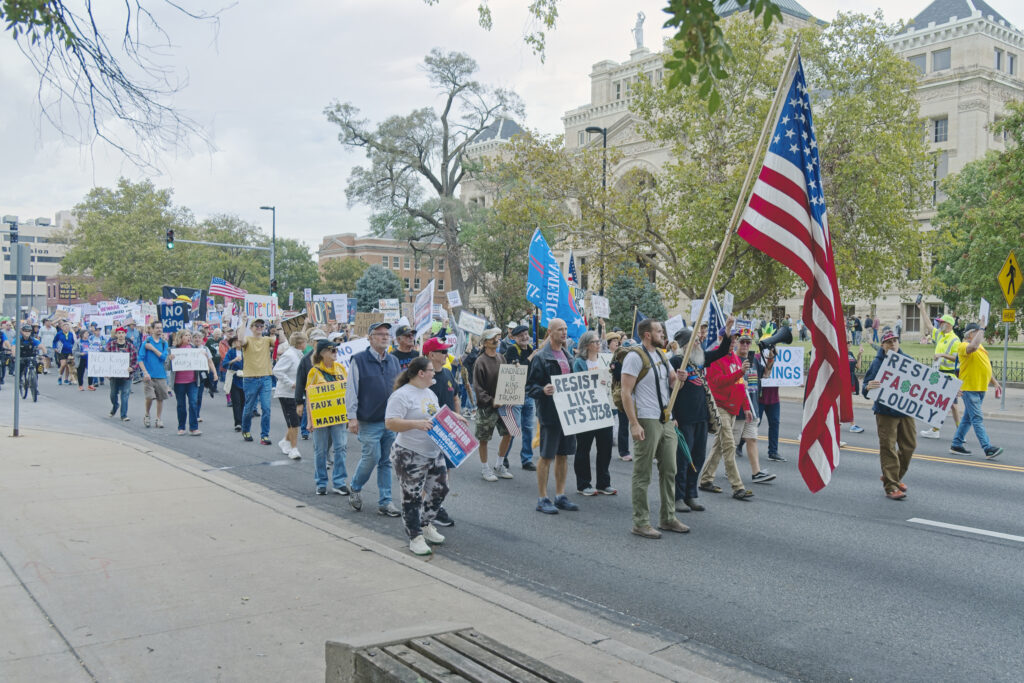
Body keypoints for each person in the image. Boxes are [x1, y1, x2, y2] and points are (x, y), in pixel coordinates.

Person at [619, 318, 689, 538]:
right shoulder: (634, 357)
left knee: (670, 470)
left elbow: (670, 383)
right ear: (647, 334)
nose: (663, 334)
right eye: (659, 331)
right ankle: (641, 522)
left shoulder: (661, 355)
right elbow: (626, 392)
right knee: (643, 473)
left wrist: (680, 379)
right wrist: (634, 423)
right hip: (646, 420)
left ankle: (668, 517)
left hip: (665, 419)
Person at [385, 356, 454, 556]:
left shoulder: (430, 393)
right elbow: (390, 423)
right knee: (412, 497)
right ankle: (414, 536)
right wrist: (416, 424)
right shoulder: (402, 395)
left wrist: (453, 416)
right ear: (421, 373)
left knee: (441, 489)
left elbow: (435, 415)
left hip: (433, 452)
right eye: (431, 370)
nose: (435, 373)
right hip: (409, 454)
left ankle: (425, 524)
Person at [670, 323, 732, 512]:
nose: (699, 343)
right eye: (695, 341)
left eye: (698, 340)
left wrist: (727, 330)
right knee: (683, 459)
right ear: (686, 345)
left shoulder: (700, 360)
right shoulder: (675, 363)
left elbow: (721, 351)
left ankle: (691, 495)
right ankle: (678, 497)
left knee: (697, 458)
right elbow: (666, 391)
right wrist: (671, 415)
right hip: (683, 418)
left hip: (701, 418)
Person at [525, 318, 581, 514]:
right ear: (550, 331)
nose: (564, 332)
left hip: (568, 414)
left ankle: (560, 495)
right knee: (546, 456)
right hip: (550, 414)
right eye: (560, 329)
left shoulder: (569, 356)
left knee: (563, 455)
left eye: (565, 329)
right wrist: (543, 389)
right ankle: (542, 498)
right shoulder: (541, 357)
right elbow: (530, 387)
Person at [346, 321, 401, 517]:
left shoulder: (393, 361)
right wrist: (351, 417)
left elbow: (399, 390)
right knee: (372, 456)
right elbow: (351, 389)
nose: (385, 337)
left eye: (387, 334)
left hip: (390, 421)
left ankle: (385, 501)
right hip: (368, 420)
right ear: (370, 337)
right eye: (380, 334)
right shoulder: (359, 360)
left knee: (386, 461)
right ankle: (355, 486)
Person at [701, 331, 755, 501]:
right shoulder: (715, 358)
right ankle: (737, 487)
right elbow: (717, 382)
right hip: (719, 407)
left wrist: (746, 407)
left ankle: (706, 479)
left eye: (735, 339)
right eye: (731, 339)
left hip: (733, 408)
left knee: (719, 445)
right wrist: (740, 372)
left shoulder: (736, 358)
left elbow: (740, 386)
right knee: (729, 445)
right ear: (721, 339)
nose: (734, 342)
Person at [862, 330, 916, 500]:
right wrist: (867, 387)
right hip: (885, 412)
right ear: (883, 345)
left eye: (895, 341)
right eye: (888, 342)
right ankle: (891, 486)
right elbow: (865, 386)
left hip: (905, 410)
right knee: (889, 448)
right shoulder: (878, 363)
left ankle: (893, 476)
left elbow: (924, 384)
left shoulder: (908, 360)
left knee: (909, 446)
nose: (892, 344)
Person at [571, 330, 616, 496]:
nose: (599, 344)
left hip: (604, 409)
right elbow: (577, 383)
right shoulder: (579, 363)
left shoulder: (605, 360)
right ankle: (583, 484)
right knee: (584, 448)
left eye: (599, 342)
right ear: (587, 345)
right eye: (595, 342)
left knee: (605, 448)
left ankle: (604, 483)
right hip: (587, 411)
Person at [949, 323, 1004, 458]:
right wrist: (982, 328)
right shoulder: (963, 346)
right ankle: (987, 448)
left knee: (968, 419)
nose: (982, 335)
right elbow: (972, 347)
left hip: (980, 388)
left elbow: (983, 366)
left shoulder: (980, 347)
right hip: (970, 389)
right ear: (971, 334)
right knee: (977, 418)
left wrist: (995, 382)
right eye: (979, 333)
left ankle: (956, 444)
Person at [305, 338, 350, 495]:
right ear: (323, 353)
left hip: (338, 417)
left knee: (341, 448)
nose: (335, 353)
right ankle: (321, 482)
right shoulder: (314, 372)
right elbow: (310, 397)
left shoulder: (341, 369)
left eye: (336, 350)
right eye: (332, 350)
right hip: (321, 418)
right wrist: (310, 420)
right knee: (320, 450)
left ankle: (339, 481)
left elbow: (347, 392)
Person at [424, 335, 458, 527]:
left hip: (448, 431)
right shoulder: (424, 378)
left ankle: (438, 506)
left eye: (447, 351)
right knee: (428, 473)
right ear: (431, 355)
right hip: (430, 433)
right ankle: (425, 507)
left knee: (446, 471)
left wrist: (458, 419)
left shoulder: (447, 373)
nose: (446, 354)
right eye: (442, 351)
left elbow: (456, 398)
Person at [734, 334, 777, 484]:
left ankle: (756, 472)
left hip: (752, 408)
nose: (745, 345)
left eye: (748, 342)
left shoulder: (754, 361)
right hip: (737, 410)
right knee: (729, 445)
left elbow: (765, 374)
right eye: (742, 342)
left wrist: (771, 359)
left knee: (752, 439)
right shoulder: (733, 360)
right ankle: (726, 470)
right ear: (737, 344)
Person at [472, 327, 513, 482]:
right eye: (492, 338)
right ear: (485, 343)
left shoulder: (502, 358)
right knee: (484, 438)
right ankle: (485, 468)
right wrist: (490, 401)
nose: (496, 340)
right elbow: (478, 387)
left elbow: (508, 379)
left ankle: (499, 465)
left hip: (503, 404)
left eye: (497, 337)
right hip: (487, 407)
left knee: (508, 433)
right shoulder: (480, 361)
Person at [918, 307, 962, 439]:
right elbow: (929, 325)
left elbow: (957, 358)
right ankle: (935, 429)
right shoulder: (940, 335)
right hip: (938, 375)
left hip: (949, 376)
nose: (939, 324)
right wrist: (922, 309)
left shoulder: (955, 340)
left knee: (953, 406)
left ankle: (960, 432)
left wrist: (942, 355)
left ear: (948, 325)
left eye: (941, 322)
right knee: (937, 403)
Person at [503, 324, 537, 471]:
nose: (525, 337)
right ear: (514, 338)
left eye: (526, 334)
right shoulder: (512, 350)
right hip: (515, 394)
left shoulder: (531, 350)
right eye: (521, 335)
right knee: (513, 428)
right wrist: (531, 357)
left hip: (529, 394)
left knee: (528, 428)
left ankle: (527, 459)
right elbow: (519, 370)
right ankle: (503, 457)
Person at [239, 315, 275, 445]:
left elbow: (279, 342)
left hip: (265, 377)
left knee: (266, 408)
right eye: (256, 326)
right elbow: (240, 339)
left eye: (261, 326)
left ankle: (265, 435)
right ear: (252, 328)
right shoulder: (248, 339)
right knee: (249, 408)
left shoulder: (266, 340)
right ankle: (246, 429)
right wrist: (243, 322)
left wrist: (278, 323)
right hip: (250, 378)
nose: (259, 328)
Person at [274, 331, 307, 460]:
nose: (306, 344)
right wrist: (291, 383)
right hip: (287, 393)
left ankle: (285, 441)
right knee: (293, 422)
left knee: (296, 421)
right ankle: (294, 449)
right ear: (300, 343)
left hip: (296, 394)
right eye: (305, 341)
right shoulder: (289, 355)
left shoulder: (298, 354)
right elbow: (277, 370)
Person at [169, 330, 205, 436]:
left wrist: (202, 355)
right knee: (181, 405)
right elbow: (167, 366)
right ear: (181, 337)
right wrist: (170, 359)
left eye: (190, 335)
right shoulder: (173, 350)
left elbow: (202, 362)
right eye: (186, 335)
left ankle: (194, 428)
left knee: (193, 403)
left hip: (192, 381)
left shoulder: (194, 349)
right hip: (179, 382)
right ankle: (181, 427)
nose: (189, 337)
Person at [295, 328, 328, 440]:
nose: (320, 344)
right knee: (319, 436)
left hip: (331, 398)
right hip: (314, 399)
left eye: (323, 341)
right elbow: (300, 381)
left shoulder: (333, 356)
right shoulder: (305, 360)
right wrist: (299, 402)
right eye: (317, 341)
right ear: (312, 342)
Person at [138, 320, 170, 428]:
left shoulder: (164, 343)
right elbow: (140, 359)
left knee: (160, 398)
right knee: (150, 397)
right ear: (152, 329)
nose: (159, 330)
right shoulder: (146, 342)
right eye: (157, 328)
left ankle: (158, 419)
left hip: (161, 374)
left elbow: (163, 357)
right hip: (149, 375)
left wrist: (152, 348)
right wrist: (145, 372)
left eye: (161, 328)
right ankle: (147, 414)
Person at [105, 326, 137, 421]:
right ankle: (115, 405)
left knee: (125, 394)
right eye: (119, 333)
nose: (121, 335)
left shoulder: (130, 346)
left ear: (125, 334)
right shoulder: (110, 345)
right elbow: (105, 359)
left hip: (127, 375)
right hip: (114, 375)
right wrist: (105, 371)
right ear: (116, 335)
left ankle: (124, 415)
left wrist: (132, 368)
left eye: (123, 333)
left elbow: (135, 360)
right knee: (113, 394)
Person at [222, 333, 245, 431]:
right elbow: (225, 363)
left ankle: (244, 421)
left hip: (245, 378)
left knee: (244, 402)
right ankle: (238, 423)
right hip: (234, 378)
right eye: (235, 341)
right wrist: (234, 360)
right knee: (236, 402)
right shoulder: (231, 352)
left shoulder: (246, 352)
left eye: (238, 341)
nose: (237, 343)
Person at [52, 321, 75, 386]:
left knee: (68, 365)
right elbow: (54, 341)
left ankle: (66, 379)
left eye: (68, 327)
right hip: (61, 351)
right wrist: (55, 348)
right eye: (65, 327)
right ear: (62, 328)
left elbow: (73, 342)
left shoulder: (70, 334)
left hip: (69, 351)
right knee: (63, 364)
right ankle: (60, 376)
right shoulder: (59, 334)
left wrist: (73, 349)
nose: (66, 328)